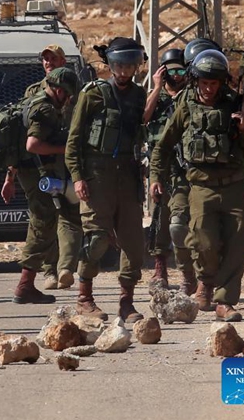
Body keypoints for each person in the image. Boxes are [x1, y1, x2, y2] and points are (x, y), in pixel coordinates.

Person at [150, 49, 244, 322]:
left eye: (215, 83)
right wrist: (155, 177)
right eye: (204, 83)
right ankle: (205, 282)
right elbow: (163, 146)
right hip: (201, 187)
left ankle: (225, 301)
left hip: (234, 186)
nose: (209, 89)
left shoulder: (235, 105)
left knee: (239, 241)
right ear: (195, 80)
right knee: (203, 242)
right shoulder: (186, 106)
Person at [65, 37, 148, 323]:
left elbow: (148, 125)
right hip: (97, 175)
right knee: (97, 239)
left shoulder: (139, 95)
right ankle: (84, 298)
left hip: (128, 175)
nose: (124, 71)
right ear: (110, 65)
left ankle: (126, 302)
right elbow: (73, 140)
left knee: (133, 243)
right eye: (119, 65)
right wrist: (77, 177)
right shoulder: (93, 93)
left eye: (130, 66)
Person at [3, 67, 83, 304]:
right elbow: (33, 145)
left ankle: (27, 284)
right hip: (34, 173)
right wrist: (66, 149)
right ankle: (24, 286)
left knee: (44, 225)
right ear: (59, 90)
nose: (68, 99)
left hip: (32, 171)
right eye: (67, 95)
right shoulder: (45, 109)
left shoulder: (35, 101)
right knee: (41, 225)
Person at [143, 49, 197, 293]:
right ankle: (160, 270)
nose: (176, 76)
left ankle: (188, 272)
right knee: (158, 218)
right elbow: (143, 117)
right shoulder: (158, 99)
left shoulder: (190, 96)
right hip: (159, 166)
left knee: (180, 221)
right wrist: (156, 87)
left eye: (180, 70)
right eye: (170, 71)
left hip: (183, 167)